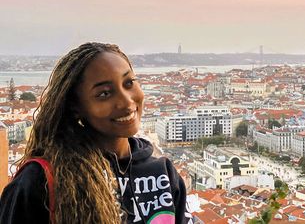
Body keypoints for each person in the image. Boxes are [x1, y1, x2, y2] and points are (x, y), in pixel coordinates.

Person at [0, 42, 187, 223]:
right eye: (104, 94)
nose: (127, 102)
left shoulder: (163, 174)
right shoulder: (40, 182)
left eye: (129, 83)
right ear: (76, 108)